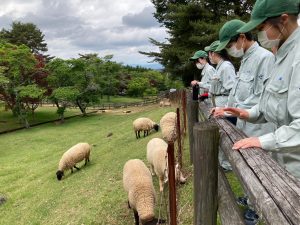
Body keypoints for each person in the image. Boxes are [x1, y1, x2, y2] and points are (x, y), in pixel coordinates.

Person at [214, 0, 300, 179]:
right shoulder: (282, 56)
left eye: (262, 28)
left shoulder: (295, 58)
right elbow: (272, 103)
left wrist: (263, 140)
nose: (259, 34)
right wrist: (247, 113)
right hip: (281, 162)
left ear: (283, 20)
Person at [213, 19, 276, 138]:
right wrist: (225, 108)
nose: (229, 50)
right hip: (243, 125)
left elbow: (262, 99)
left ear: (242, 37)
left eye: (229, 46)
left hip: (258, 130)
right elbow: (236, 93)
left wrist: (229, 111)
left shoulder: (265, 58)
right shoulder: (245, 60)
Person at [205, 40, 237, 171]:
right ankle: (223, 162)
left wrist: (227, 109)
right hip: (218, 103)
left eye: (209, 53)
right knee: (222, 134)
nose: (209, 56)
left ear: (214, 53)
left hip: (224, 104)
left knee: (226, 134)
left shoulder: (226, 67)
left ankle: (227, 164)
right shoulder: (220, 67)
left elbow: (232, 90)